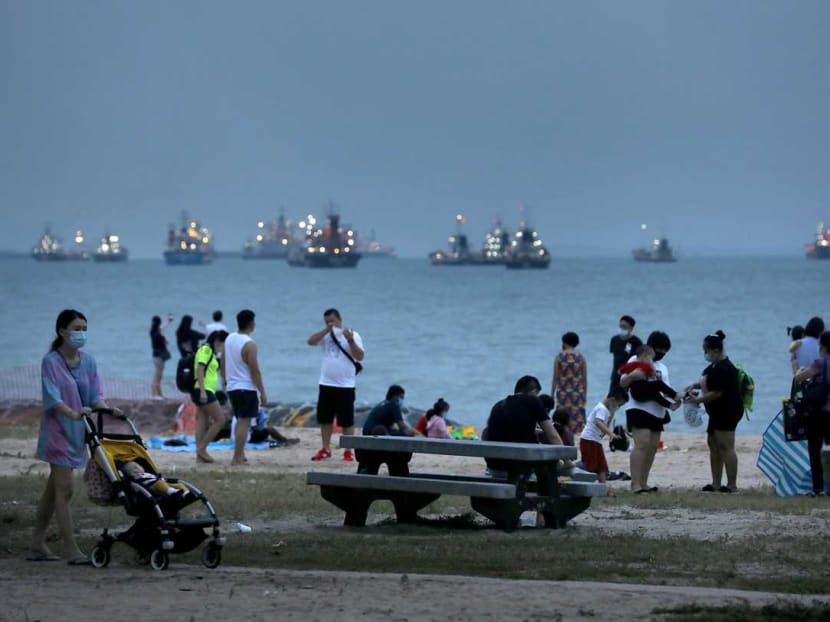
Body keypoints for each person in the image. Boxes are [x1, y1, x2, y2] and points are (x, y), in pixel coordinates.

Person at [31, 309, 120, 564]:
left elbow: (95, 395)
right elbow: (53, 398)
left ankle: (37, 542)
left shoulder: (89, 361)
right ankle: (71, 549)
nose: (81, 333)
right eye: (76, 328)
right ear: (62, 332)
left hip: (78, 433)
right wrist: (72, 413)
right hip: (57, 431)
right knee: (65, 489)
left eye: (84, 328)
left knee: (53, 491)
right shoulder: (51, 362)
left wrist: (108, 408)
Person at [683, 331, 744, 493]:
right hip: (715, 412)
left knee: (726, 446)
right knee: (713, 444)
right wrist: (694, 386)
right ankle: (715, 483)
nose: (705, 354)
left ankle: (732, 485)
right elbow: (708, 382)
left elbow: (717, 392)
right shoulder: (713, 366)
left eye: (706, 350)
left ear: (715, 351)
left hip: (728, 411)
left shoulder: (726, 368)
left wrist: (697, 401)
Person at [307, 308, 365, 462]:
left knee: (347, 420)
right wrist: (326, 330)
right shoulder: (326, 336)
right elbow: (311, 341)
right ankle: (326, 448)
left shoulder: (353, 335)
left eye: (332, 320)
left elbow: (360, 356)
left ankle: (348, 450)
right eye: (327, 321)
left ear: (340, 319)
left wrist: (350, 340)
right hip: (326, 383)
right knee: (325, 419)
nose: (330, 323)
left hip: (345, 385)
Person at [619, 330, 672, 494]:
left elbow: (665, 389)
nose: (661, 354)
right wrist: (633, 376)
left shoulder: (662, 367)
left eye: (665, 351)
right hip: (638, 408)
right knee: (641, 444)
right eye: (660, 350)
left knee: (652, 447)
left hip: (657, 410)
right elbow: (622, 382)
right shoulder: (635, 360)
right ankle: (635, 484)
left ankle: (644, 482)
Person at [484, 375, 564, 475]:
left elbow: (505, 430)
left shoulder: (498, 405)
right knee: (555, 463)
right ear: (533, 391)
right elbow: (553, 437)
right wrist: (567, 461)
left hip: (494, 467)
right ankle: (547, 491)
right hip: (518, 469)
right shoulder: (533, 401)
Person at [225, 310, 268, 466]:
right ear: (251, 323)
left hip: (232, 387)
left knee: (240, 421)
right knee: (244, 423)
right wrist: (262, 392)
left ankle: (240, 454)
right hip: (245, 387)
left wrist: (226, 381)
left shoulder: (229, 339)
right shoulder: (249, 344)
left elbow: (223, 362)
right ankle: (237, 457)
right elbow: (255, 371)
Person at [794, 330, 830, 496]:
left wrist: (795, 363)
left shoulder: (819, 363)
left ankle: (818, 489)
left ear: (822, 345)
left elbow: (800, 378)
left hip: (818, 413)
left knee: (815, 450)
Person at [356, 385, 414, 475]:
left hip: (368, 435)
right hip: (378, 435)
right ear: (395, 396)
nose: (402, 400)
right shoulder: (393, 405)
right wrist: (414, 433)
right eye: (401, 398)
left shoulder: (382, 404)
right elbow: (402, 426)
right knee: (404, 436)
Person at [193, 330, 229, 464]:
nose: (223, 348)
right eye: (223, 344)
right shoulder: (206, 350)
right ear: (217, 341)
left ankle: (199, 457)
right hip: (204, 390)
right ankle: (202, 449)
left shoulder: (210, 352)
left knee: (202, 422)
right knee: (220, 419)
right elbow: (200, 369)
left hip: (205, 390)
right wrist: (202, 391)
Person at [580, 389, 628, 484]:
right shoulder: (601, 408)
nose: (618, 407)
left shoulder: (606, 410)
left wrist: (611, 417)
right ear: (612, 400)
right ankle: (588, 486)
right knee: (591, 466)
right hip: (589, 440)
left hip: (596, 441)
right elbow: (598, 422)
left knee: (602, 466)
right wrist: (611, 433)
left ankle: (603, 487)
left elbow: (603, 426)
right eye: (619, 404)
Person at [618, 344, 682, 410]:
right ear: (645, 355)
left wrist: (624, 372)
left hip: (635, 394)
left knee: (655, 394)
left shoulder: (632, 364)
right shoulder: (645, 366)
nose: (651, 360)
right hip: (641, 389)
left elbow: (621, 370)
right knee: (658, 384)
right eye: (651, 358)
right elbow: (653, 374)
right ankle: (675, 395)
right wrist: (653, 369)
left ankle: (671, 406)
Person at [552, 332, 587, 434]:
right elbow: (584, 379)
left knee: (562, 417)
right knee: (577, 418)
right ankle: (576, 436)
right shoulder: (581, 357)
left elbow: (555, 378)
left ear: (564, 342)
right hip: (578, 393)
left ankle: (563, 436)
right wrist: (584, 394)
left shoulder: (559, 357)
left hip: (563, 393)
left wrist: (551, 394)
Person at [608, 315, 643, 397]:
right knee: (611, 400)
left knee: (628, 399)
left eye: (624, 327)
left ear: (631, 328)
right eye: (620, 326)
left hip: (630, 376)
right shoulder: (614, 340)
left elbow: (640, 360)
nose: (621, 329)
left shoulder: (636, 342)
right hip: (616, 376)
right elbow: (615, 356)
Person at [121, 461, 190, 500]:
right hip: (151, 487)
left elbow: (156, 478)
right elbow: (138, 482)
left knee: (179, 485)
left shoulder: (146, 474)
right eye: (138, 466)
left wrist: (164, 480)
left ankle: (186, 493)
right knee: (160, 483)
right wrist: (134, 475)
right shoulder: (136, 477)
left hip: (161, 483)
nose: (141, 467)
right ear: (135, 470)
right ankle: (173, 492)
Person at [149, 314, 173, 399]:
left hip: (157, 357)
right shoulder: (157, 335)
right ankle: (154, 395)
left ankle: (159, 394)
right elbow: (164, 342)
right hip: (159, 357)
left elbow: (162, 327)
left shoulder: (153, 331)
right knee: (157, 376)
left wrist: (168, 322)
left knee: (159, 376)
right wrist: (165, 340)